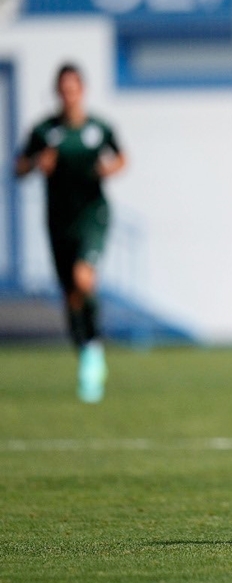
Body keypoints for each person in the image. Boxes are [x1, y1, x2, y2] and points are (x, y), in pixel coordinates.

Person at [15, 63, 126, 403]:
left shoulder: (98, 128)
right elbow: (19, 166)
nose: (69, 94)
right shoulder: (44, 131)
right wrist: (36, 165)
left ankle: (93, 349)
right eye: (63, 88)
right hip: (58, 220)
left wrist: (108, 168)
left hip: (92, 216)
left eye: (74, 87)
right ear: (57, 92)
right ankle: (85, 352)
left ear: (82, 90)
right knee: (70, 295)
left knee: (83, 279)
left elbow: (121, 157)